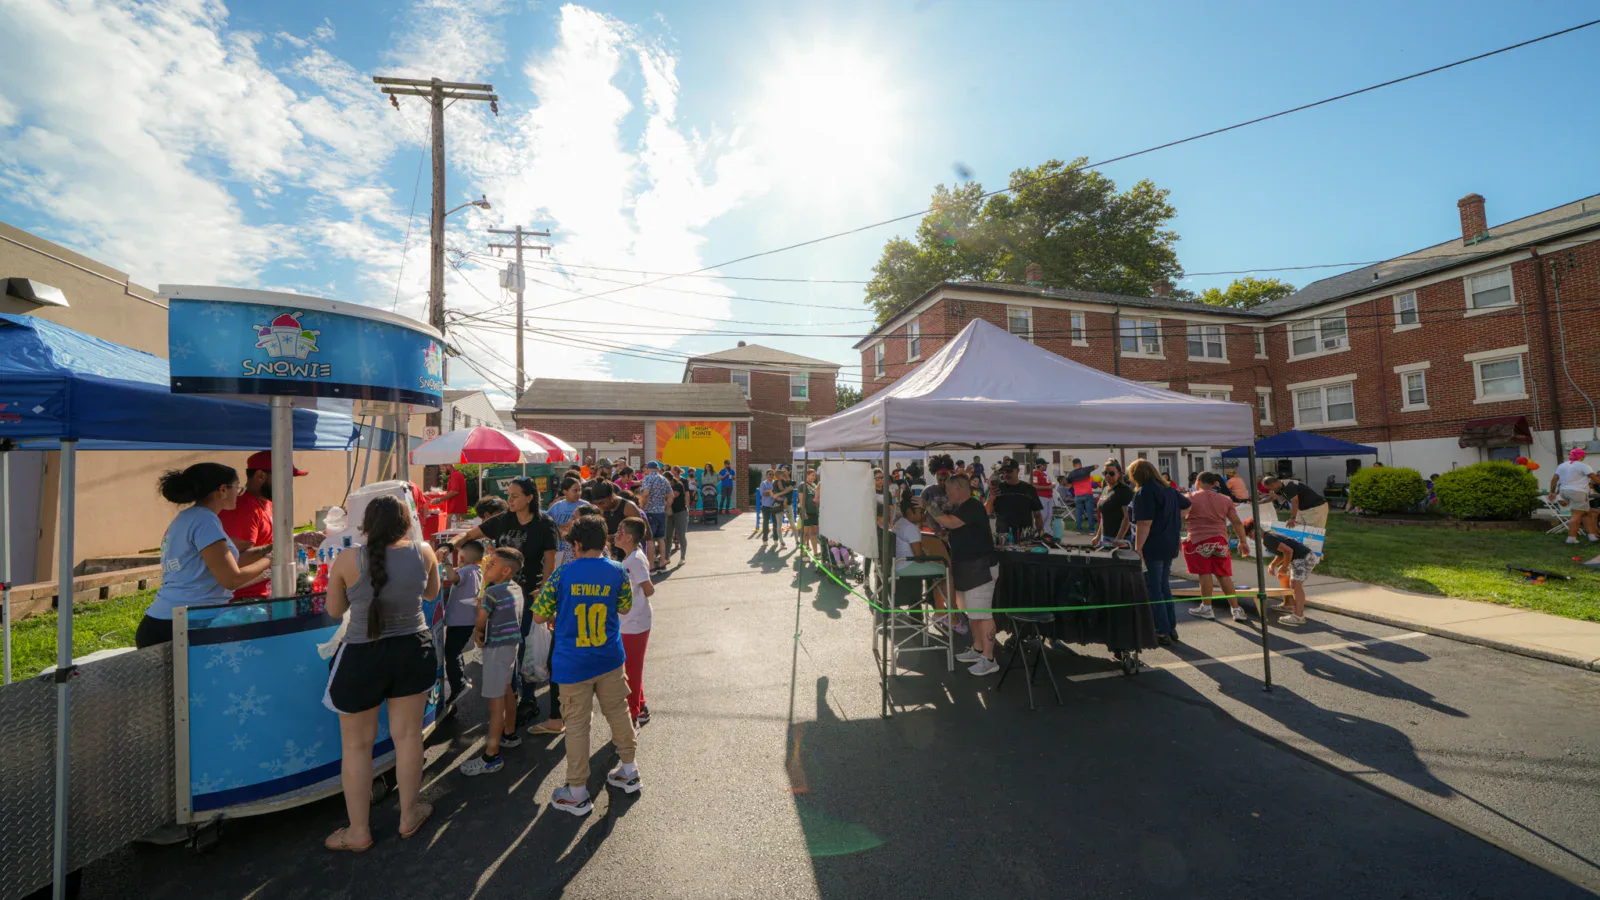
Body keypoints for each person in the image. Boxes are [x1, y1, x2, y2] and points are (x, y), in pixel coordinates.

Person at [322, 495, 441, 850]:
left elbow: (333, 610)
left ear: (366, 525)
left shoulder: (347, 558)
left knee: (356, 747)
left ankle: (358, 832)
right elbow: (432, 594)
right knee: (408, 738)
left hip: (361, 655)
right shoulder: (424, 552)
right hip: (412, 651)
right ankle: (408, 815)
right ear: (407, 523)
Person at [530, 515, 640, 816]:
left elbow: (539, 616)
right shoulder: (618, 570)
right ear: (604, 541)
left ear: (576, 544)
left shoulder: (562, 575)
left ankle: (577, 791)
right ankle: (629, 770)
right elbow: (625, 606)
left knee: (577, 724)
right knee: (618, 711)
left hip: (572, 662)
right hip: (609, 657)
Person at [449, 478, 559, 728]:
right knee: (505, 647)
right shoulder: (504, 520)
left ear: (530, 497)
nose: (509, 500)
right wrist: (448, 546)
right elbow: (469, 534)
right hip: (499, 595)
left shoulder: (544, 524)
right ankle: (511, 696)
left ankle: (527, 699)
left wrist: (543, 591)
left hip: (527, 595)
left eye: (514, 496)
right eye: (508, 495)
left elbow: (550, 563)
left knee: (524, 647)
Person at [136, 464, 273, 648]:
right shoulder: (205, 521)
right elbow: (231, 579)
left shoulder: (187, 518)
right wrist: (273, 558)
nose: (239, 494)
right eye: (237, 488)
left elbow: (212, 575)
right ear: (223, 489)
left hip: (165, 621)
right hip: (183, 625)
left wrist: (266, 563)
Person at [460, 547, 527, 776]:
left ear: (506, 570)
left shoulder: (491, 592)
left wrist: (479, 619)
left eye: (491, 564)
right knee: (506, 687)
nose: (486, 566)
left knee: (494, 702)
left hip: (496, 649)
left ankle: (491, 755)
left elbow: (481, 620)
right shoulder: (517, 589)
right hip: (510, 647)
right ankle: (509, 733)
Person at [216, 450, 304, 600]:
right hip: (245, 600)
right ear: (260, 476)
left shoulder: (267, 503)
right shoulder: (243, 508)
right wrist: (282, 548)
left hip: (268, 592)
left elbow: (267, 541)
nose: (288, 485)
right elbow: (234, 560)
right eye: (285, 479)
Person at [934, 474, 999, 675]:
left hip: (980, 568)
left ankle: (989, 658)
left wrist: (929, 509)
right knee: (972, 613)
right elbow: (954, 531)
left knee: (983, 613)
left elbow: (952, 523)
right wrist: (942, 535)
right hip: (966, 568)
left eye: (948, 490)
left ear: (959, 489)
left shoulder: (972, 506)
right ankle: (978, 648)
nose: (946, 494)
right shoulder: (962, 509)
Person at [1130, 459, 1190, 646]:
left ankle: (1162, 630)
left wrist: (1138, 548)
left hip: (1153, 545)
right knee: (1164, 587)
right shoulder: (1169, 489)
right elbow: (1187, 505)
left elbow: (1144, 524)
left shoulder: (1144, 492)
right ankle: (1170, 627)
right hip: (1169, 543)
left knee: (1154, 589)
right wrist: (1170, 518)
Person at [1184, 472, 1250, 624]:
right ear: (1214, 484)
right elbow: (1236, 522)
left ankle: (1206, 608)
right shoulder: (1225, 500)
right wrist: (1243, 541)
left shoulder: (1190, 497)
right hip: (1220, 541)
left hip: (1197, 540)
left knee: (1204, 574)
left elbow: (1179, 515)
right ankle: (1236, 609)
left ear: (1198, 482)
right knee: (1223, 575)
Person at [615, 517, 656, 725]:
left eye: (619, 531)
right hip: (630, 622)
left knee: (631, 671)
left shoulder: (634, 560)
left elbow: (649, 589)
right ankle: (640, 707)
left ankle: (632, 716)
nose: (616, 534)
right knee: (631, 669)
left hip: (636, 623)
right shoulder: (630, 557)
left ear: (629, 537)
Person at [1242, 519, 1316, 626]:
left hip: (1303, 558)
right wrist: (1273, 565)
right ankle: (1288, 603)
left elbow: (1288, 551)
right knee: (1283, 577)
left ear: (1253, 531)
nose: (1250, 538)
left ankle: (1299, 616)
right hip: (1300, 557)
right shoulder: (1268, 536)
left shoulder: (1268, 539)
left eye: (1249, 535)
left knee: (1295, 585)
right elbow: (1282, 552)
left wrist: (1284, 567)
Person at [440, 539, 485, 705]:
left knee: (451, 653)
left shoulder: (466, 572)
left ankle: (459, 684)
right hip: (468, 620)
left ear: (462, 558)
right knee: (456, 650)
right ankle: (462, 677)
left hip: (459, 621)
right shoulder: (479, 571)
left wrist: (446, 561)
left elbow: (452, 577)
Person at [1550, 448, 1599, 544]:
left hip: (1564, 492)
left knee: (1587, 513)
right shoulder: (1583, 466)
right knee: (1576, 515)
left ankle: (1592, 536)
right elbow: (1596, 479)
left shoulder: (1562, 465)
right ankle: (1571, 538)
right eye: (1584, 455)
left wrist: (1552, 492)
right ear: (1581, 456)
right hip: (1578, 492)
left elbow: (1554, 479)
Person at [987, 460, 1043, 541]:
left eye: (1009, 471)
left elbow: (1037, 515)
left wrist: (1040, 534)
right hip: (1003, 537)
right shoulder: (997, 489)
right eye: (1004, 471)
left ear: (1018, 471)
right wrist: (991, 499)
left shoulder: (1029, 489)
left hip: (1024, 537)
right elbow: (988, 512)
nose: (1006, 474)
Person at [638, 461, 674, 573]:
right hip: (660, 512)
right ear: (657, 469)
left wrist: (642, 508)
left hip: (650, 512)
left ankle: (652, 566)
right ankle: (662, 563)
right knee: (661, 538)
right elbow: (671, 496)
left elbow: (645, 494)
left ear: (648, 469)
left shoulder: (648, 479)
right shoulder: (664, 480)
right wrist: (666, 506)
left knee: (650, 539)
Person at [1093, 460, 1134, 546]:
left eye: (1111, 473)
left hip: (1120, 537)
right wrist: (1098, 536)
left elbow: (1127, 518)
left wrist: (1119, 539)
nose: (1108, 476)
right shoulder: (1105, 489)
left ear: (1119, 473)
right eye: (1105, 473)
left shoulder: (1124, 490)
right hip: (1106, 536)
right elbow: (1104, 515)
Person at [546, 476, 586, 566]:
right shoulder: (557, 506)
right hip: (559, 549)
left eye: (580, 490)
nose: (578, 493)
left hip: (577, 550)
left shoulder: (584, 506)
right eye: (575, 490)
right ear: (565, 492)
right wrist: (558, 528)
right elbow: (547, 523)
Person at [1263, 476, 1328, 529]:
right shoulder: (1280, 486)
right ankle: (1302, 544)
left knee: (1313, 532)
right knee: (1297, 528)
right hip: (1303, 509)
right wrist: (1260, 502)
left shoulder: (1289, 486)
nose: (1270, 490)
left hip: (1315, 508)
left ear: (1273, 485)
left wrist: (1292, 518)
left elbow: (1295, 501)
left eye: (1269, 488)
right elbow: (1273, 497)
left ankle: (1313, 545)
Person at [1064, 458, 1098, 534]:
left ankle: (1079, 530)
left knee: (1079, 513)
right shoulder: (1086, 470)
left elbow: (1069, 483)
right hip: (1088, 494)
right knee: (1090, 512)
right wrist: (1092, 467)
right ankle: (1091, 530)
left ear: (1073, 465)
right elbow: (1096, 466)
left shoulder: (1071, 474)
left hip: (1078, 495)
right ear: (1080, 463)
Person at [664, 467, 690, 563]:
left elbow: (673, 495)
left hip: (680, 512)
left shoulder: (678, 485)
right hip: (670, 513)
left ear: (669, 479)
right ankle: (667, 557)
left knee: (681, 535)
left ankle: (682, 557)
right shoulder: (666, 486)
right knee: (668, 536)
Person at [757, 469, 783, 545]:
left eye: (772, 474)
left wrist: (771, 491)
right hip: (766, 506)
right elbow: (763, 494)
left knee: (775, 523)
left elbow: (779, 492)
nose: (771, 476)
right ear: (766, 475)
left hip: (775, 506)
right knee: (766, 523)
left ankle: (775, 539)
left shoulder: (776, 482)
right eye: (770, 474)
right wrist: (772, 491)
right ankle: (765, 540)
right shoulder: (763, 483)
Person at [799, 468, 821, 556]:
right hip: (806, 512)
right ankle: (803, 552)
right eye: (812, 475)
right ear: (807, 475)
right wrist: (804, 513)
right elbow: (801, 500)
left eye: (815, 476)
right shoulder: (802, 485)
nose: (814, 477)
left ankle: (815, 552)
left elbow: (817, 498)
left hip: (814, 512)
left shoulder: (814, 485)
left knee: (814, 533)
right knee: (805, 533)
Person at [1031, 460, 1055, 526]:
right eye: (1045, 465)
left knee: (1049, 515)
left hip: (1049, 496)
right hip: (1042, 496)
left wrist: (1051, 486)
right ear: (1041, 465)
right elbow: (1034, 486)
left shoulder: (1044, 474)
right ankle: (1038, 530)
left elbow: (1047, 483)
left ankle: (1047, 532)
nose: (1046, 466)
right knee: (1043, 515)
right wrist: (1048, 487)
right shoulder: (1035, 473)